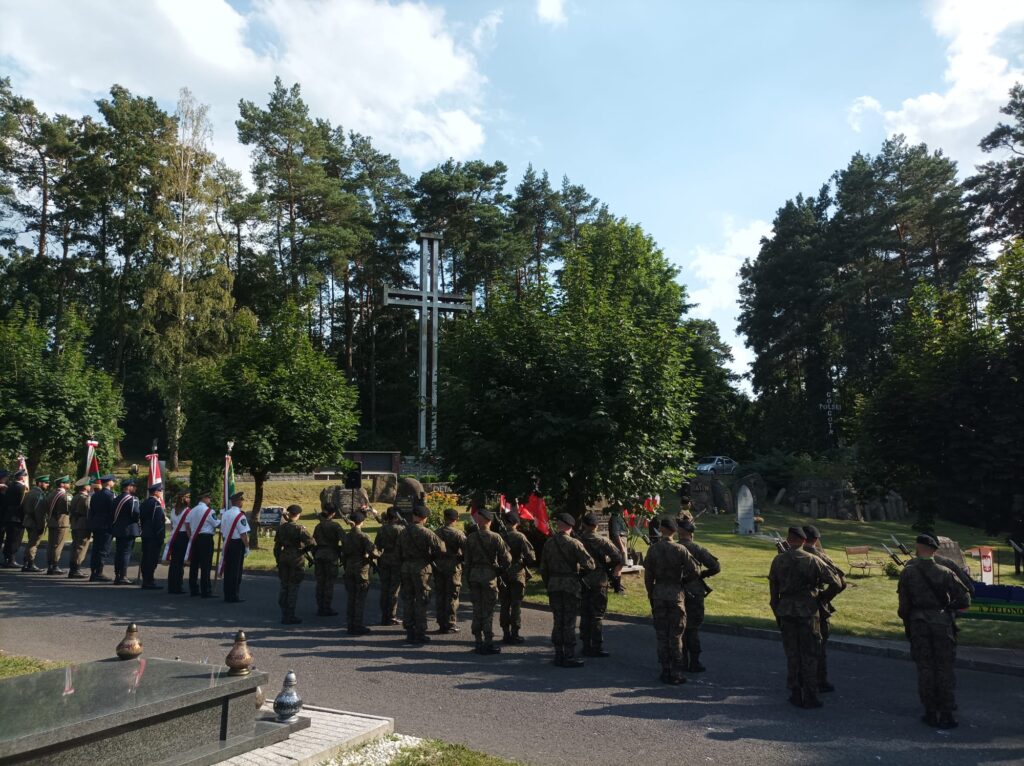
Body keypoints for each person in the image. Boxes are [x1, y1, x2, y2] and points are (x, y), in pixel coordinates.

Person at [898, 533, 972, 729]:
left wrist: (909, 621)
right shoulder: (945, 571)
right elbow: (965, 599)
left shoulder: (908, 572)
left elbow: (903, 607)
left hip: (918, 624)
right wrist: (949, 610)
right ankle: (947, 712)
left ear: (918, 547)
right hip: (942, 624)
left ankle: (930, 711)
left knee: (925, 668)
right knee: (944, 668)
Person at [768, 526, 843, 709]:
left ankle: (795, 692)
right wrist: (823, 598)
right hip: (808, 610)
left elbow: (773, 594)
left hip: (786, 610)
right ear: (804, 541)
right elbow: (837, 583)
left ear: (788, 539)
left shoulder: (778, 560)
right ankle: (810, 695)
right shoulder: (813, 560)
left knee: (792, 654)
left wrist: (778, 611)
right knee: (809, 653)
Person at [644, 516, 700, 684]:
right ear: (675, 531)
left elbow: (648, 576)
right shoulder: (680, 549)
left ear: (661, 529)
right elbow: (695, 570)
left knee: (662, 634)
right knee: (676, 635)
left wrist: (651, 593)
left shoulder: (653, 549)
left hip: (659, 593)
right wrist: (683, 580)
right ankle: (677, 672)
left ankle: (665, 669)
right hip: (676, 594)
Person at [539, 513, 595, 668]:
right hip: (570, 586)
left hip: (554, 585)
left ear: (559, 525)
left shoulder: (549, 543)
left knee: (558, 620)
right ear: (570, 526)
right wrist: (578, 573)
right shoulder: (574, 544)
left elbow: (543, 568)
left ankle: (558, 654)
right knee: (569, 622)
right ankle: (569, 656)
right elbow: (590, 565)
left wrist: (549, 583)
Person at [802, 525, 846, 691]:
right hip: (819, 607)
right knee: (820, 646)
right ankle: (821, 680)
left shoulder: (792, 556)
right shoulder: (823, 557)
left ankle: (803, 680)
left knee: (801, 646)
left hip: (799, 607)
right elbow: (841, 582)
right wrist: (824, 598)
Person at [464, 508, 512, 654]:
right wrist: (501, 570)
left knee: (477, 609)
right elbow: (507, 559)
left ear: (480, 521)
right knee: (488, 611)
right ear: (490, 521)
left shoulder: (471, 538)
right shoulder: (495, 537)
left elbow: (467, 561)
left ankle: (478, 641)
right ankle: (488, 642)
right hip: (489, 576)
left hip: (474, 576)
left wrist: (469, 576)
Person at [396, 503, 445, 644]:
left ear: (413, 516)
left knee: (408, 599)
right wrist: (430, 556)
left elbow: (398, 551)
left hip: (406, 567)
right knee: (422, 600)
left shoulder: (403, 532)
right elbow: (441, 548)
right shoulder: (426, 532)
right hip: (421, 568)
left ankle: (409, 630)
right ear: (425, 518)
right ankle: (420, 631)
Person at [575, 512, 622, 657]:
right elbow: (618, 557)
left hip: (582, 580)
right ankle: (597, 646)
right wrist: (607, 567)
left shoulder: (577, 540)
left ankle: (585, 645)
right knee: (597, 615)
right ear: (596, 526)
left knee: (584, 613)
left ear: (583, 525)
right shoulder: (603, 541)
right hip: (599, 581)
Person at [678, 519, 721, 672]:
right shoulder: (697, 548)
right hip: (695, 592)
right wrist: (701, 575)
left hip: (676, 591)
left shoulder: (673, 548)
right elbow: (716, 567)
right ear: (691, 534)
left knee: (679, 627)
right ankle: (694, 662)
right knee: (693, 628)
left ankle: (681, 660)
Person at [499, 510, 537, 645]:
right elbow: (531, 557)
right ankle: (515, 634)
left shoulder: (499, 536)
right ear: (516, 523)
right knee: (516, 605)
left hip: (503, 574)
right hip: (517, 574)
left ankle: (505, 633)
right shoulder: (520, 537)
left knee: (504, 604)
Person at [274, 504, 314, 624]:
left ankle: (283, 612)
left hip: (284, 557)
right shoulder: (299, 529)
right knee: (293, 587)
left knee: (284, 585)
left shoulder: (281, 528)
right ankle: (290, 615)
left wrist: (278, 559)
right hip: (296, 559)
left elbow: (276, 547)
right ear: (298, 515)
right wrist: (303, 551)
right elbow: (312, 543)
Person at [341, 509, 377, 634]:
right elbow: (374, 552)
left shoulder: (346, 536)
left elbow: (343, 553)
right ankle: (358, 625)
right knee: (360, 598)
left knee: (351, 597)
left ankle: (350, 624)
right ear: (362, 522)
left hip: (349, 567)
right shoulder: (363, 536)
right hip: (361, 569)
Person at [434, 507, 466, 634]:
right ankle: (451, 622)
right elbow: (467, 549)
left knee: (440, 594)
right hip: (453, 567)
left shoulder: (436, 532)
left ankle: (441, 622)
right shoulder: (458, 534)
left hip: (439, 566)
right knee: (452, 595)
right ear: (456, 519)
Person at [375, 507, 404, 626]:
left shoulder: (382, 529)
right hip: (396, 560)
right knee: (394, 590)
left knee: (385, 588)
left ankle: (384, 615)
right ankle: (391, 616)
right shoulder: (400, 530)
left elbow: (377, 544)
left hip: (384, 558)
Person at [312, 505, 344, 616]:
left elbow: (313, 542)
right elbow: (344, 540)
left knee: (320, 582)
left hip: (319, 555)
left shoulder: (318, 526)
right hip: (331, 555)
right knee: (329, 583)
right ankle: (327, 607)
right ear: (333, 513)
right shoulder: (335, 526)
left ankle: (320, 607)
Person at [220, 490, 250, 603]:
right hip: (237, 544)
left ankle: (227, 594)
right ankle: (234, 595)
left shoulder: (225, 514)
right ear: (238, 502)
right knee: (236, 571)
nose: (242, 502)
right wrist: (247, 547)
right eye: (241, 500)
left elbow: (222, 531)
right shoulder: (240, 515)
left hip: (228, 543)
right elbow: (243, 534)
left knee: (228, 570)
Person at [186, 489, 217, 598]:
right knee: (206, 565)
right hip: (206, 539)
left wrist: (191, 537)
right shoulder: (209, 511)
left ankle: (193, 588)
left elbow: (187, 525)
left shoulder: (192, 510)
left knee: (194, 565)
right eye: (208, 497)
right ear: (204, 498)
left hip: (195, 538)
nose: (210, 499)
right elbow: (216, 524)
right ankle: (206, 590)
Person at [110, 478, 141, 585]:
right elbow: (136, 514)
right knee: (126, 553)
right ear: (128, 487)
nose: (135, 488)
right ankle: (123, 576)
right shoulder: (132, 499)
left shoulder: (116, 498)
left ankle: (117, 574)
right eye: (133, 486)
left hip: (118, 529)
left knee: (119, 552)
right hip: (129, 529)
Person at [87, 474, 117, 581]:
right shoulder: (111, 495)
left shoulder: (95, 495)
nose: (114, 482)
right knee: (103, 550)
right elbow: (113, 511)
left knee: (96, 549)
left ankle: (93, 572)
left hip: (96, 524)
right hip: (106, 525)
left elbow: (92, 511)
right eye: (113, 481)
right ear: (109, 482)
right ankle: (98, 573)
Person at [138, 482, 166, 590]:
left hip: (146, 533)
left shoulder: (144, 503)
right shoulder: (155, 504)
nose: (161, 493)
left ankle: (146, 579)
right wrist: (160, 536)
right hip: (153, 535)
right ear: (156, 492)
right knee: (151, 559)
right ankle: (149, 581)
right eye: (160, 491)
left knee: (146, 558)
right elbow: (158, 522)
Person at [20, 474, 50, 572]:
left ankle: (26, 563)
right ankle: (30, 564)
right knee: (33, 544)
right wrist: (41, 525)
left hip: (28, 520)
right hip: (35, 522)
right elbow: (39, 512)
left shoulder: (30, 492)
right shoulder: (39, 494)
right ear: (40, 483)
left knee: (30, 542)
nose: (47, 484)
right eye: (46, 483)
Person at [43, 475, 72, 575]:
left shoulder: (51, 494)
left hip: (52, 521)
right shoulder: (65, 496)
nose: (70, 484)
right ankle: (55, 565)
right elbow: (69, 509)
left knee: (51, 544)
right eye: (68, 482)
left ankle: (50, 565)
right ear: (62, 484)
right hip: (62, 522)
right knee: (58, 545)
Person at [164, 490, 191, 594]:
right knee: (180, 563)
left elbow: (171, 526)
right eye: (188, 497)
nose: (189, 499)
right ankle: (178, 586)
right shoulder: (188, 511)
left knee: (174, 562)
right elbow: (188, 528)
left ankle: (172, 586)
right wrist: (191, 539)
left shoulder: (173, 510)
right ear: (184, 499)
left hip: (175, 537)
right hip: (184, 536)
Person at [67, 478, 93, 579]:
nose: (90, 487)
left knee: (75, 546)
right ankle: (76, 569)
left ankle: (73, 568)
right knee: (81, 547)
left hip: (75, 523)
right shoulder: (85, 498)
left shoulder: (75, 496)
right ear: (85, 487)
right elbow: (88, 511)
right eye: (89, 485)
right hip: (83, 524)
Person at [2, 469, 28, 568]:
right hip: (17, 517)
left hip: (9, 516)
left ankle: (7, 558)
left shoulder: (10, 486)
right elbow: (22, 504)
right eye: (25, 476)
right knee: (15, 539)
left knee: (9, 538)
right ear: (21, 477)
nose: (26, 478)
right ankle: (11, 560)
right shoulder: (21, 488)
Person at [607, 504, 629, 594]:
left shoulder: (620, 516)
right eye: (622, 507)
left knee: (619, 564)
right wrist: (621, 547)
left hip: (622, 539)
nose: (624, 509)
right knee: (619, 564)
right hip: (619, 541)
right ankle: (617, 588)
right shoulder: (615, 518)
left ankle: (616, 584)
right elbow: (616, 534)